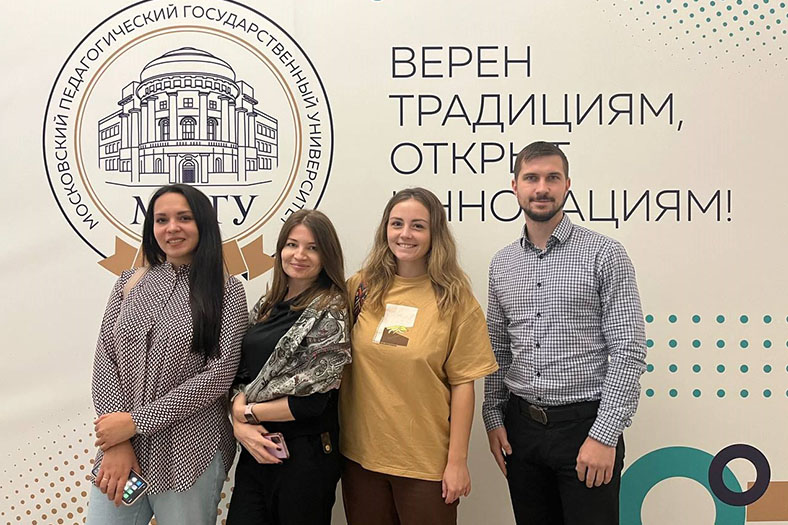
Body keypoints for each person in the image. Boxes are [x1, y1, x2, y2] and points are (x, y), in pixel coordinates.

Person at [482, 141, 647, 525]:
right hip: (521, 433)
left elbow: (628, 348)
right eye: (531, 178)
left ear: (567, 184)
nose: (542, 188)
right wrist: (493, 415)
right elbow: (498, 347)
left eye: (552, 178)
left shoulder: (604, 253)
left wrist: (604, 435)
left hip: (586, 428)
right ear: (515, 186)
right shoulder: (502, 264)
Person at [87, 184, 248, 525]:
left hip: (191, 451)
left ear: (203, 224)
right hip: (123, 450)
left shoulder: (228, 290)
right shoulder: (129, 283)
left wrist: (135, 422)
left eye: (184, 218)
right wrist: (117, 442)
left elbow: (218, 375)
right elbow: (105, 360)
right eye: (161, 220)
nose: (172, 228)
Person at [339, 187, 498, 525]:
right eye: (397, 223)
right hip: (361, 461)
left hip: (425, 467)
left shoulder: (455, 299)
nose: (405, 234)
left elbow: (463, 385)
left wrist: (457, 461)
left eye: (418, 226)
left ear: (434, 233)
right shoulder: (360, 288)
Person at [226, 209, 351, 525]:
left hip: (306, 454)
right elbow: (243, 375)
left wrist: (246, 414)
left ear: (327, 256)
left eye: (312, 248)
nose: (299, 255)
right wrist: (239, 417)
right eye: (292, 244)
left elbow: (312, 402)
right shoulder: (266, 306)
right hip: (258, 448)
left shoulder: (331, 312)